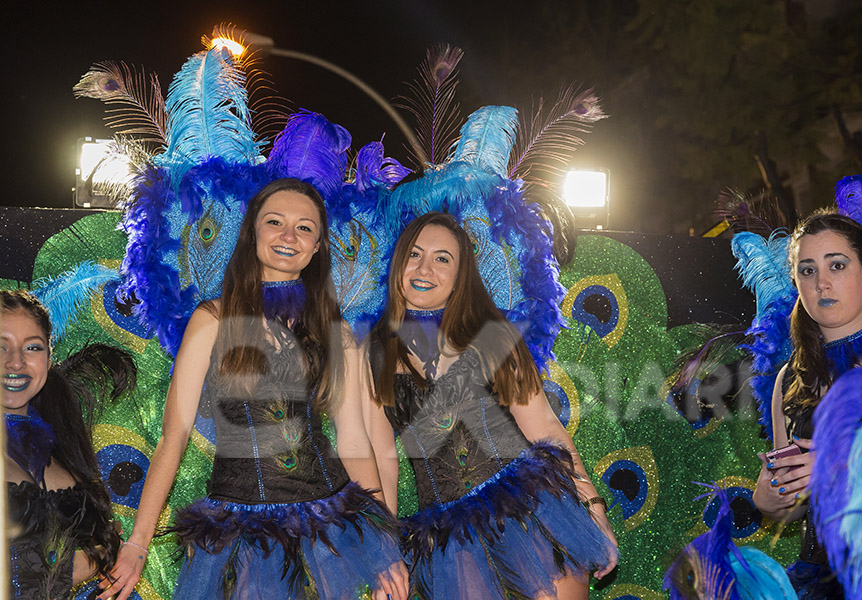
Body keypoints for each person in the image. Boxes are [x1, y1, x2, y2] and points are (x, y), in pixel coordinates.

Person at [100, 178, 406, 600]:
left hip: (331, 522)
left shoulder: (335, 331)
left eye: (304, 228)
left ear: (317, 246)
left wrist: (383, 548)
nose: (288, 236)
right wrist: (137, 544)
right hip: (241, 529)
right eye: (275, 222)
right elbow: (175, 437)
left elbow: (353, 440)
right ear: (253, 233)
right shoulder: (211, 319)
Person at [364, 211, 618, 600]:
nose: (424, 268)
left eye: (442, 258)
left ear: (460, 275)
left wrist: (595, 509)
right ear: (399, 263)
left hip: (535, 516)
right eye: (414, 254)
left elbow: (546, 429)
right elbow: (383, 460)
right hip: (454, 547)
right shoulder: (373, 352)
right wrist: (385, 555)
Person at [752, 211, 862, 598]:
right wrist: (773, 499)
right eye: (806, 270)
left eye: (837, 264)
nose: (821, 282)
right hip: (820, 579)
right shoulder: (788, 379)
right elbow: (794, 503)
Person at [3, 289, 134, 598]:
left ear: (49, 357)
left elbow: (51, 569)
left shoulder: (61, 450)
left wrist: (103, 554)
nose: (16, 362)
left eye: (32, 347)